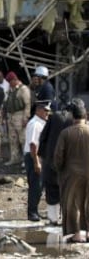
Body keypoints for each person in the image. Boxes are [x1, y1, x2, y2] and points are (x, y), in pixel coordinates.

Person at [39, 99, 81, 225]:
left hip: (51, 161)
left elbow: (43, 137)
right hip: (69, 164)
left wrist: (42, 155)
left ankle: (53, 219)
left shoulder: (54, 117)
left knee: (52, 190)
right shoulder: (76, 122)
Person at [54, 102, 89, 243]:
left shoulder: (66, 133)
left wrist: (59, 169)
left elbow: (58, 157)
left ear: (72, 116)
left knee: (73, 203)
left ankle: (76, 234)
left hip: (71, 174)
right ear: (85, 115)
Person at [24, 100, 51, 222]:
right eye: (45, 110)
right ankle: (32, 213)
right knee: (35, 186)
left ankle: (35, 211)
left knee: (39, 186)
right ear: (38, 110)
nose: (47, 113)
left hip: (38, 156)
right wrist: (36, 162)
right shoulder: (35, 123)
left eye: (48, 110)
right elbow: (33, 144)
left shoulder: (41, 122)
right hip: (33, 156)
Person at [3, 71, 31, 166]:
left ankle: (26, 160)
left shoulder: (23, 89)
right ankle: (14, 158)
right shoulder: (11, 90)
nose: (9, 84)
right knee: (12, 139)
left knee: (23, 139)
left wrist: (25, 118)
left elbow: (27, 105)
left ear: (15, 80)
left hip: (20, 115)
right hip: (11, 117)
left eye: (10, 81)